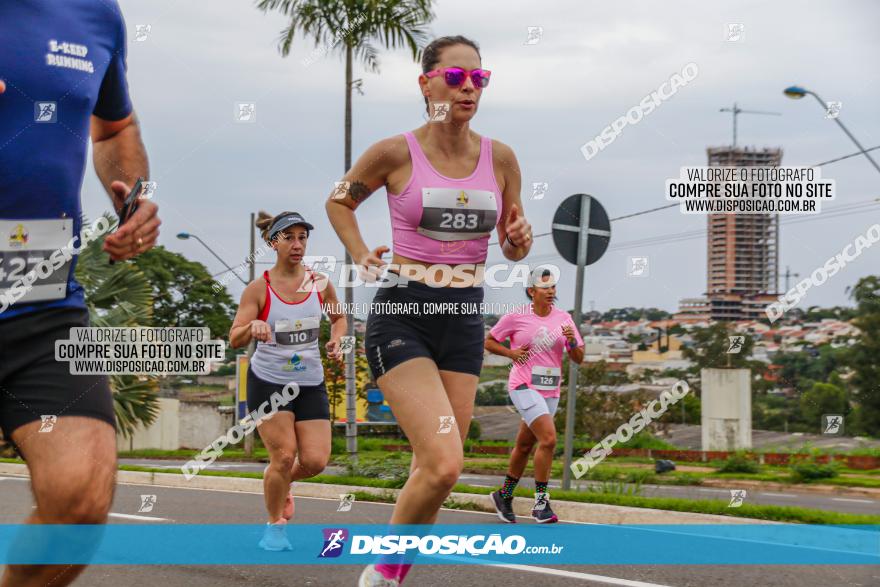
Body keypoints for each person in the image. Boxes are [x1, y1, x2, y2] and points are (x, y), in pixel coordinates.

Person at [325, 35, 533, 586]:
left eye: (479, 79)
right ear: (427, 83)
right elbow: (339, 199)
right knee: (445, 463)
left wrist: (518, 239)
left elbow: (514, 245)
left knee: (433, 472)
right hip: (404, 312)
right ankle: (382, 574)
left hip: (465, 317)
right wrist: (360, 252)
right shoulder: (395, 152)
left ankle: (389, 575)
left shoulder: (502, 158)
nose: (468, 88)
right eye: (456, 77)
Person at [0, 2, 159, 585]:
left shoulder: (94, 12)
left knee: (80, 500)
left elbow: (114, 126)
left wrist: (134, 197)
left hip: (42, 302)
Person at [229, 211, 346, 551]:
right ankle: (274, 527)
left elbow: (339, 318)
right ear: (273, 242)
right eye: (289, 237)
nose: (297, 244)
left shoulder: (319, 283)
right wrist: (253, 327)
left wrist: (337, 338)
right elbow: (234, 336)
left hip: (310, 382)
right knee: (283, 456)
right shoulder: (258, 289)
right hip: (268, 382)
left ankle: (281, 483)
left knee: (315, 461)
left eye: (303, 237)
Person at [485, 269, 584, 523]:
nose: (551, 291)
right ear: (532, 291)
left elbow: (578, 359)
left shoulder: (564, 319)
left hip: (550, 389)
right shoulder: (516, 317)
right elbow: (489, 341)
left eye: (553, 287)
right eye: (545, 287)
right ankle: (541, 504)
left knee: (525, 445)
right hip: (523, 385)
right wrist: (512, 353)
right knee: (549, 439)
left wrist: (572, 343)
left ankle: (504, 496)